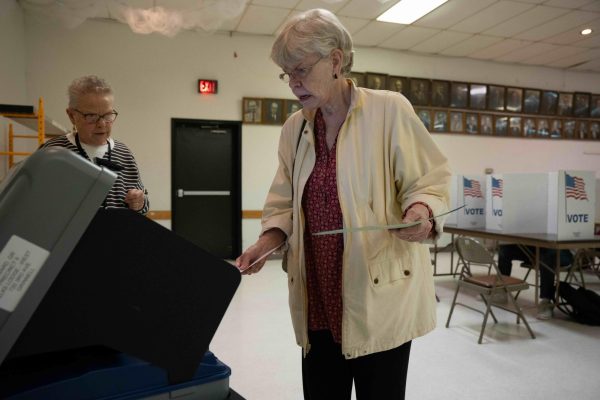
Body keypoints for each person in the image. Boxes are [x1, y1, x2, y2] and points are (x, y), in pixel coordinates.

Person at [235, 9, 451, 400]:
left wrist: (421, 214)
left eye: (300, 69)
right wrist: (265, 242)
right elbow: (283, 200)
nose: (293, 83)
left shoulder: (389, 110)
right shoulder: (295, 128)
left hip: (377, 298)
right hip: (315, 297)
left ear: (335, 60)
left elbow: (428, 181)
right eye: (287, 74)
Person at [41, 75, 149, 213]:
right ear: (71, 115)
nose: (102, 124)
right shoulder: (54, 153)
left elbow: (143, 206)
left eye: (108, 115)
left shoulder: (124, 153)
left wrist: (139, 203)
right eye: (91, 116)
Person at [497, 245, 573, 320]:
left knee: (547, 254)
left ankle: (546, 301)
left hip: (560, 250)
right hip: (536, 249)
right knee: (505, 250)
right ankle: (502, 289)